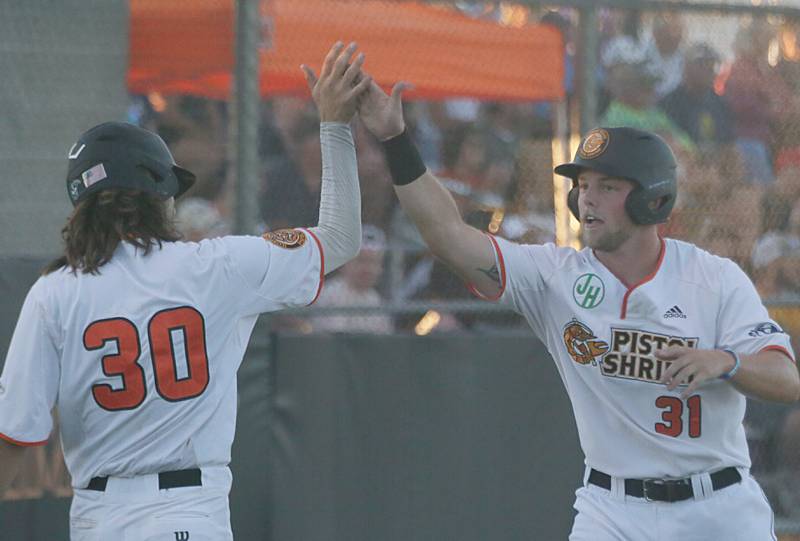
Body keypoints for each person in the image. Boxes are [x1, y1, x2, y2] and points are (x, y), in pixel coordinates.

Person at [357, 76, 799, 539]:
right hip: (612, 509)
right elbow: (446, 233)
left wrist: (724, 361)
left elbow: (786, 380)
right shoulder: (555, 277)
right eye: (583, 185)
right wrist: (394, 139)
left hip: (717, 508)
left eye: (607, 186)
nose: (587, 197)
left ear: (653, 197)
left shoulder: (713, 277)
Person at [0, 41, 372, 540]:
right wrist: (334, 125)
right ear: (156, 193)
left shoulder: (54, 292)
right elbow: (343, 239)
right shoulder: (216, 265)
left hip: (97, 518)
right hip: (189, 513)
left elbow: (15, 435)